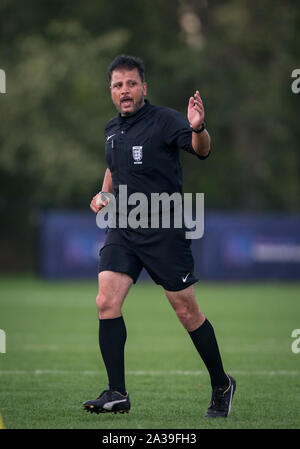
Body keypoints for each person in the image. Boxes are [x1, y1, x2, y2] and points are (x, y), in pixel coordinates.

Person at [83, 55, 236, 418]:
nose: (125, 91)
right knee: (106, 300)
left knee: (186, 310)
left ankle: (222, 384)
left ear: (143, 87)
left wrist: (198, 128)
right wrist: (105, 194)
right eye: (118, 85)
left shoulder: (165, 120)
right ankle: (117, 392)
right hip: (123, 225)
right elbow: (113, 168)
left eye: (131, 84)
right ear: (111, 90)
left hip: (165, 229)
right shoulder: (111, 129)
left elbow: (202, 151)